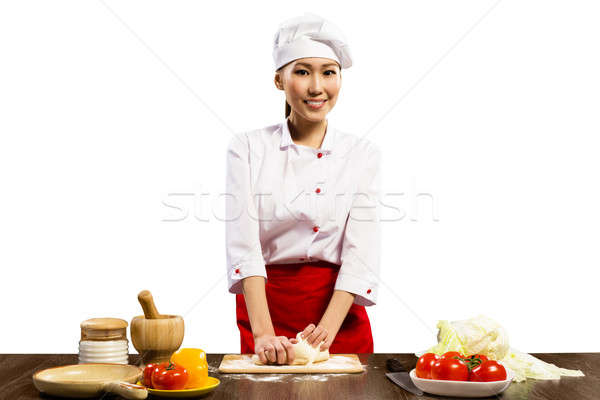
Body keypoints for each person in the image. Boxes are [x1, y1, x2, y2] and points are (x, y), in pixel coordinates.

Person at [225, 12, 381, 365]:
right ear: (279, 80)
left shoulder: (362, 154)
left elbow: (362, 250)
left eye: (328, 72)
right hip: (266, 306)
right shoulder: (247, 148)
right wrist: (263, 332)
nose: (316, 87)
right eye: (302, 71)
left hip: (339, 310)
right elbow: (243, 244)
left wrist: (324, 332)